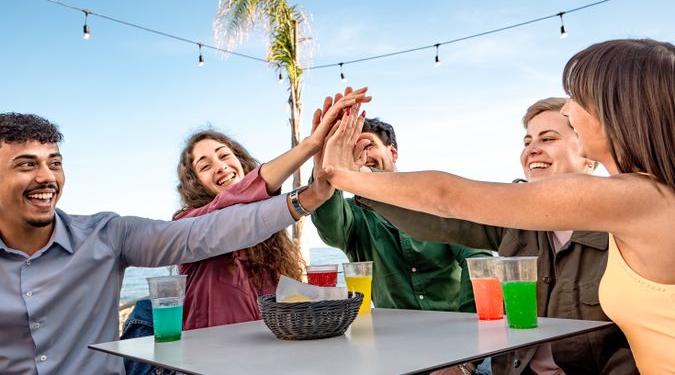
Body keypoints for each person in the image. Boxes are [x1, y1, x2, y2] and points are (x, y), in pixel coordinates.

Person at [322, 39, 675, 375]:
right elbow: (442, 216)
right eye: (528, 140)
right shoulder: (642, 194)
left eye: (578, 99)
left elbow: (447, 196)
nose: (568, 109)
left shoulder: (633, 198)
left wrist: (343, 174)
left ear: (619, 109)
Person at [0, 90, 364, 375]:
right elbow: (215, 226)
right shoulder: (189, 220)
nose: (46, 176)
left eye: (55, 163)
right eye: (26, 165)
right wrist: (309, 159)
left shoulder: (107, 235)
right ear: (193, 181)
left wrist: (317, 186)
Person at [355, 98, 637, 374]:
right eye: (527, 142)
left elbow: (641, 339)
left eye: (548, 139)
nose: (532, 150)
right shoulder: (513, 219)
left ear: (589, 154)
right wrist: (361, 178)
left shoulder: (627, 223)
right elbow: (441, 217)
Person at [119, 89, 370, 375]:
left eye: (225, 155)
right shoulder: (188, 224)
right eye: (205, 166)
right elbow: (235, 211)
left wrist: (323, 173)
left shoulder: (273, 239)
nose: (221, 167)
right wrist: (311, 145)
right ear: (195, 183)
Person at [310, 117, 491, 313]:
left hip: (455, 325)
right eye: (351, 148)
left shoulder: (432, 201)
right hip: (391, 336)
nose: (361, 154)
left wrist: (470, 319)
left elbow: (477, 258)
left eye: (368, 145)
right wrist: (328, 165)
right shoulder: (352, 215)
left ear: (393, 152)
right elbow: (329, 226)